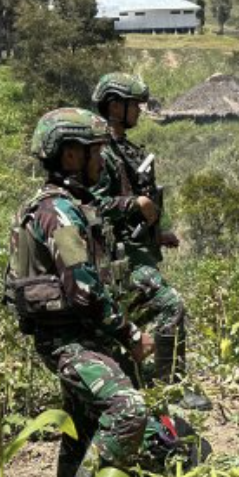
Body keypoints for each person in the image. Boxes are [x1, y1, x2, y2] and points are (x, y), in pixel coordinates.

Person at [6, 107, 156, 477]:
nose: (101, 162)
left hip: (77, 334)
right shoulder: (59, 213)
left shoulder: (66, 205)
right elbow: (84, 290)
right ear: (71, 155)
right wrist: (130, 334)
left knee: (83, 425)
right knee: (128, 409)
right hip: (69, 341)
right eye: (95, 152)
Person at [89, 72, 210, 410]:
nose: (139, 111)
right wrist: (134, 204)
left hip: (135, 252)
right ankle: (171, 386)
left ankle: (135, 379)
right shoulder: (101, 153)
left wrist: (159, 233)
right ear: (115, 106)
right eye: (134, 105)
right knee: (171, 305)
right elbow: (90, 206)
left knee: (132, 320)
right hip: (116, 259)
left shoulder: (124, 150)